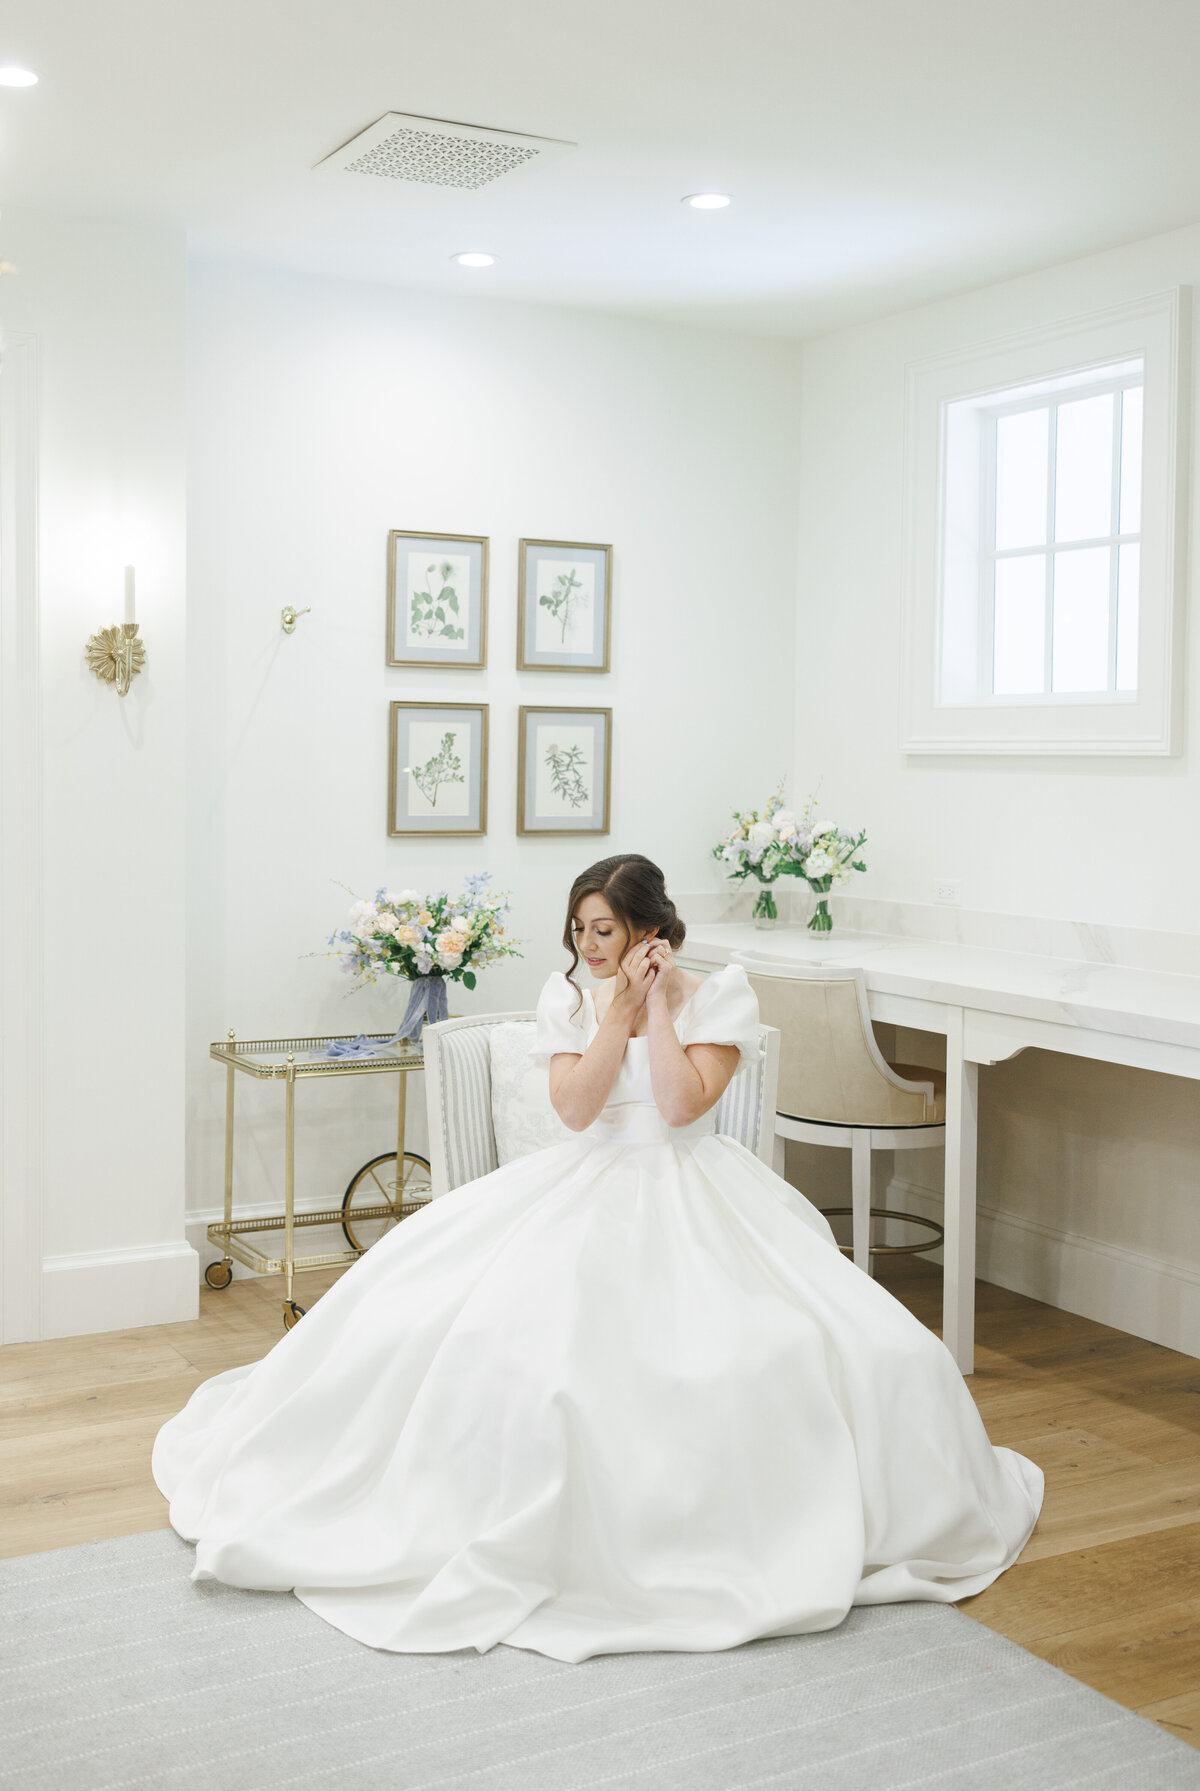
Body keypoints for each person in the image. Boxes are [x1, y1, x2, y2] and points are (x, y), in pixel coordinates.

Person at [152, 853, 1043, 1665]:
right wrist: (614, 1007)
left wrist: (655, 1004)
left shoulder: (721, 995)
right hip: (583, 1179)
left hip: (694, 1186)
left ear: (650, 931)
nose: (587, 943)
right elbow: (577, 1110)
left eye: (604, 929)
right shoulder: (567, 1000)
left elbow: (681, 1102)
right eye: (580, 928)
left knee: (858, 1353)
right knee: (462, 1329)